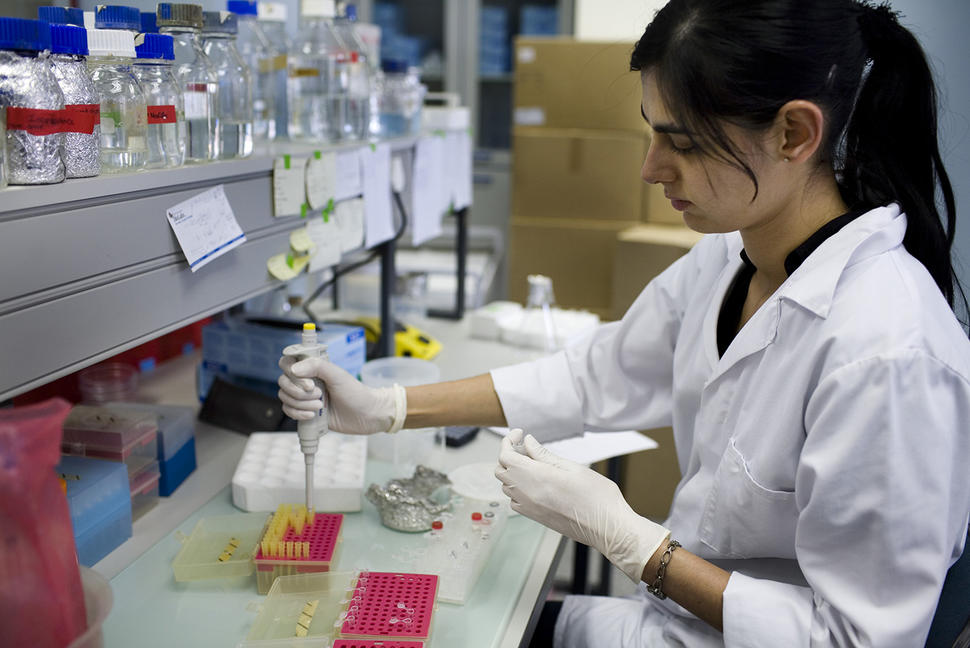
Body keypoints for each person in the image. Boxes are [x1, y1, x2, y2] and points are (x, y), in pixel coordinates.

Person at [278, 0, 970, 644]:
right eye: (650, 133)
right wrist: (390, 408)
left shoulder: (886, 352)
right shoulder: (732, 256)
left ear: (794, 133)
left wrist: (636, 545)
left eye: (684, 143)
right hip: (674, 621)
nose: (649, 169)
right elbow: (595, 374)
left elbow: (853, 638)